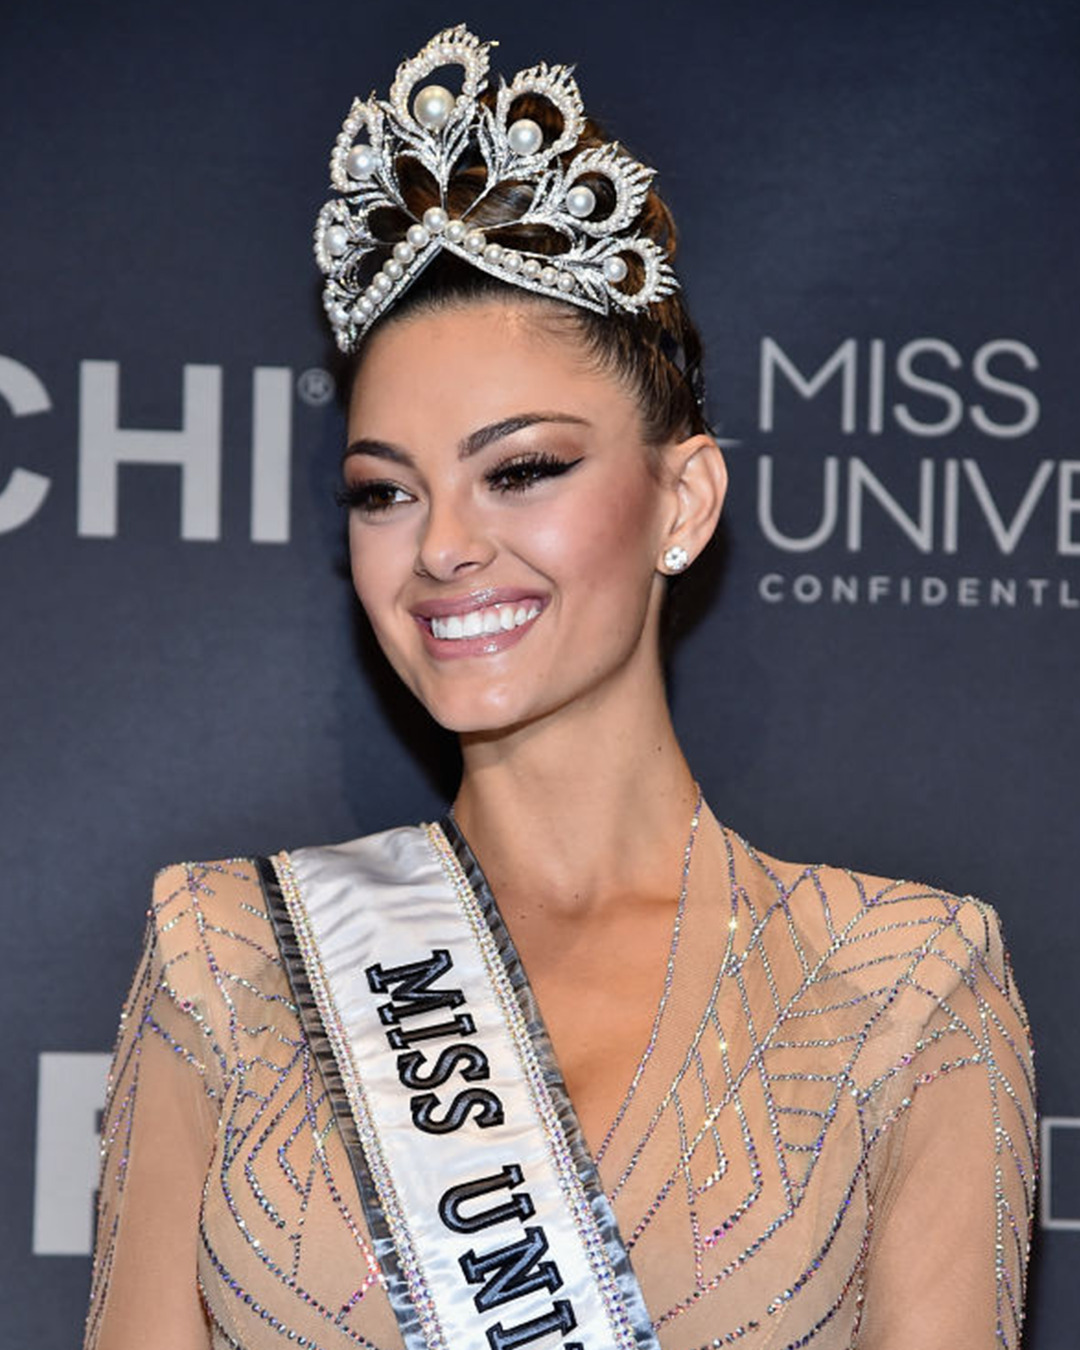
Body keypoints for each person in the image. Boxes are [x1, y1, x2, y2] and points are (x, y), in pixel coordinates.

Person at [83, 24, 1036, 1350]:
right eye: (384, 490)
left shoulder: (900, 986)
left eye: (522, 467)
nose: (441, 547)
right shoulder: (227, 958)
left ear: (682, 500)